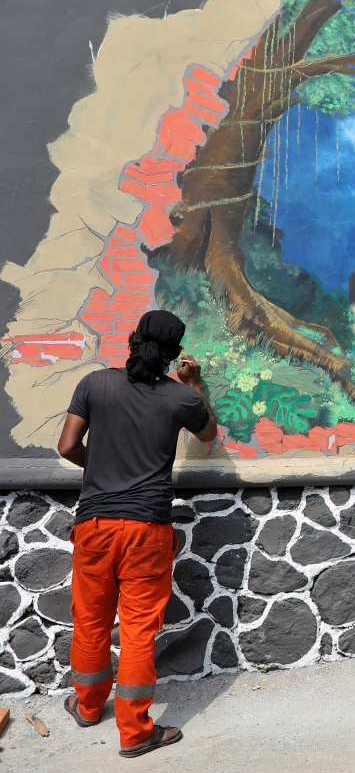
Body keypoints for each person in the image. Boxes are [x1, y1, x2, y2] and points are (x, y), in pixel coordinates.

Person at [56, 310, 218, 758]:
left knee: (91, 622)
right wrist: (194, 383)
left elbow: (67, 447)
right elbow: (208, 433)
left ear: (132, 339)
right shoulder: (180, 397)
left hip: (95, 526)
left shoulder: (95, 384)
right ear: (174, 354)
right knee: (138, 632)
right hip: (147, 530)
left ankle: (88, 707)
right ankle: (135, 733)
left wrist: (103, 469)